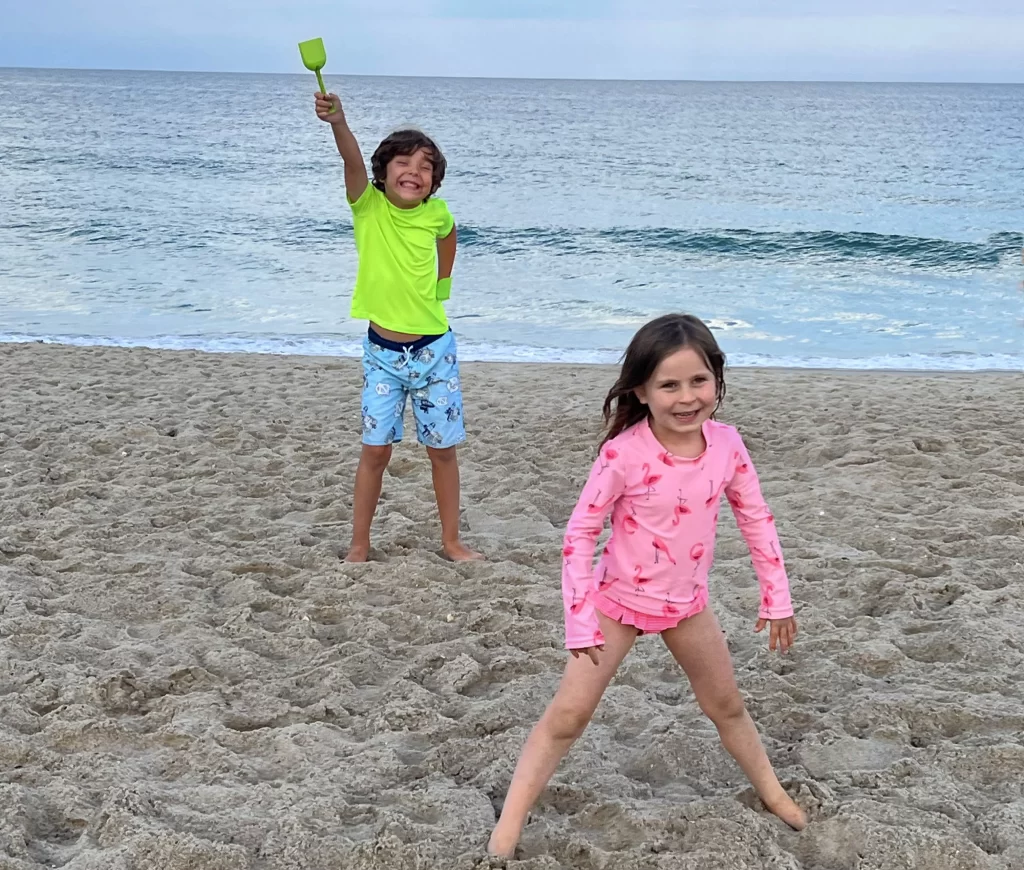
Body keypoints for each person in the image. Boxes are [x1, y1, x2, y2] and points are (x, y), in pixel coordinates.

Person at [488, 313, 807, 857]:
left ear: (717, 380)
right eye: (669, 385)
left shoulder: (728, 445)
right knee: (568, 716)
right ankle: (510, 822)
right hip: (615, 603)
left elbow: (757, 518)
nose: (687, 398)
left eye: (698, 381)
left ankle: (773, 793)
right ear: (641, 389)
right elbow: (580, 533)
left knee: (726, 705)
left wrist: (777, 598)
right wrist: (579, 618)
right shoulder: (624, 454)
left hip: (687, 607)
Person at [314, 90, 482, 563]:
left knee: (442, 453)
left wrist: (443, 283)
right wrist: (338, 122)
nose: (414, 172)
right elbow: (349, 160)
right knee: (375, 452)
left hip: (435, 353)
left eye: (426, 167)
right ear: (382, 173)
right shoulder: (368, 207)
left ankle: (451, 542)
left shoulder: (437, 213)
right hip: (383, 356)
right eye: (404, 163)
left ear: (434, 182)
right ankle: (359, 543)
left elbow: (449, 235)